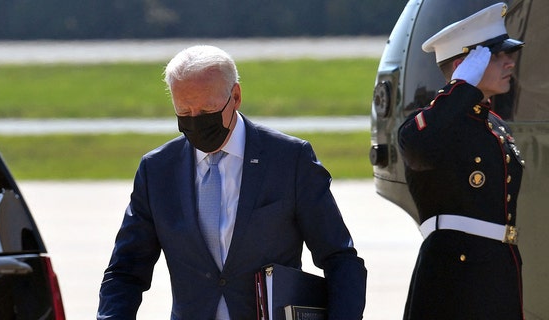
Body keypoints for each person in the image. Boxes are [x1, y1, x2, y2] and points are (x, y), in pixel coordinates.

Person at [97, 45, 367, 319]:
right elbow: (126, 271)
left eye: (207, 110)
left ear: (235, 96)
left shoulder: (289, 160)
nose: (196, 121)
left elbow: (340, 259)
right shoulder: (157, 171)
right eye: (184, 112)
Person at [398, 3, 525, 319]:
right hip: (455, 277)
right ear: (464, 66)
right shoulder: (432, 125)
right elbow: (415, 145)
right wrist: (460, 90)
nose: (510, 62)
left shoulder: (493, 125)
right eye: (496, 56)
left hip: (497, 268)